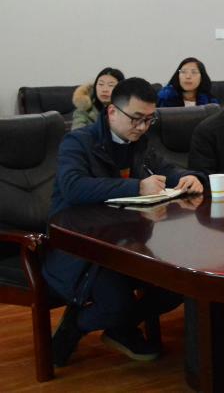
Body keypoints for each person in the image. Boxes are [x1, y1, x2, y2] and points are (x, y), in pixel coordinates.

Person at [44, 78, 205, 366]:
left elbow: (166, 168)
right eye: (136, 118)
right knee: (116, 305)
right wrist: (136, 187)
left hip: (128, 241)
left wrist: (188, 177)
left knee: (176, 285)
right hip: (83, 246)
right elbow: (73, 187)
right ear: (111, 112)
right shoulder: (78, 142)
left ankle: (120, 328)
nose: (142, 127)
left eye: (149, 120)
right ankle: (75, 326)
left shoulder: (139, 143)